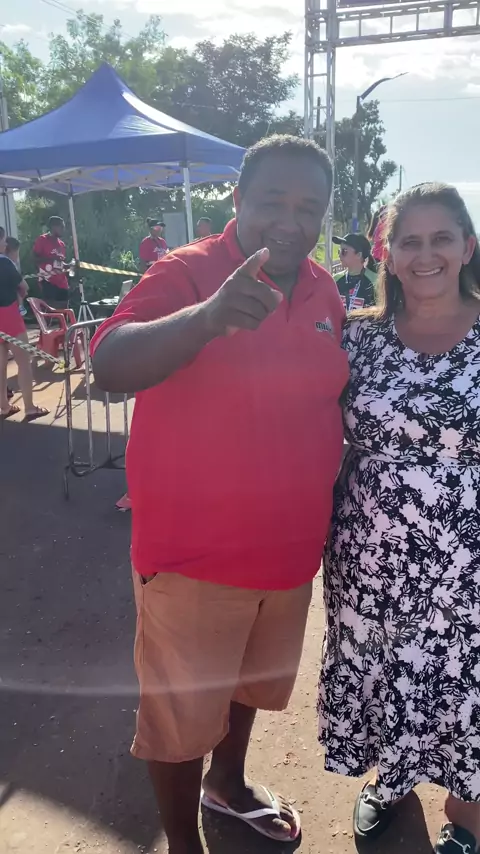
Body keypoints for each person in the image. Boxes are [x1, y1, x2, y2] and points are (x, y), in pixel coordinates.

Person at [91, 134, 349, 854]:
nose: (290, 221)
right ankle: (184, 844)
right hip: (194, 558)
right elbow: (109, 362)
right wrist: (206, 318)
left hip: (288, 553)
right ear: (237, 199)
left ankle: (228, 785)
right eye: (273, 200)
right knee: (179, 724)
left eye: (309, 207)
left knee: (248, 686)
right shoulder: (188, 270)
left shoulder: (324, 289)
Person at [318, 182, 480, 854]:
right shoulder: (360, 337)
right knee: (384, 666)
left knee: (464, 677)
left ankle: (468, 811)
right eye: (409, 241)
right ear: (388, 252)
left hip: (467, 559)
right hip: (369, 550)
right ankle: (392, 779)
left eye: (441, 238)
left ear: (468, 246)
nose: (425, 254)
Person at [0, 232, 49, 421]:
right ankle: (29, 407)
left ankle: (4, 406)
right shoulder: (5, 262)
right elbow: (24, 286)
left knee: (1, 366)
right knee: (24, 363)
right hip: (9, 315)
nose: (5, 244)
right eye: (3, 240)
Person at [332, 232, 377, 309]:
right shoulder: (335, 279)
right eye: (339, 251)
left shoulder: (376, 281)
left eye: (344, 251)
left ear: (359, 255)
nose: (339, 255)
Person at [33, 216, 69, 308]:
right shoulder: (42, 240)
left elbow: (60, 263)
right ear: (53, 227)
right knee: (51, 310)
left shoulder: (61, 244)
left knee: (64, 311)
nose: (63, 229)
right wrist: (51, 259)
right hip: (48, 281)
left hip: (62, 283)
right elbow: (35, 259)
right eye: (61, 227)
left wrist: (68, 266)